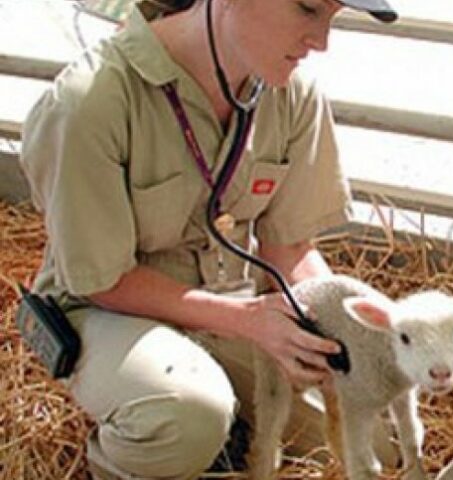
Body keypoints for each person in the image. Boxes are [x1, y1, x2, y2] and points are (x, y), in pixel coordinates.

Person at [19, 0, 396, 478]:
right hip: (106, 310)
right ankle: (128, 458)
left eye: (332, 19)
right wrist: (249, 320)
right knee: (186, 415)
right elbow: (102, 280)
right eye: (307, 9)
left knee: (378, 432)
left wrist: (344, 333)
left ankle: (221, 434)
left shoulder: (291, 94)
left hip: (228, 310)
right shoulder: (90, 101)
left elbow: (291, 250)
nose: (321, 42)